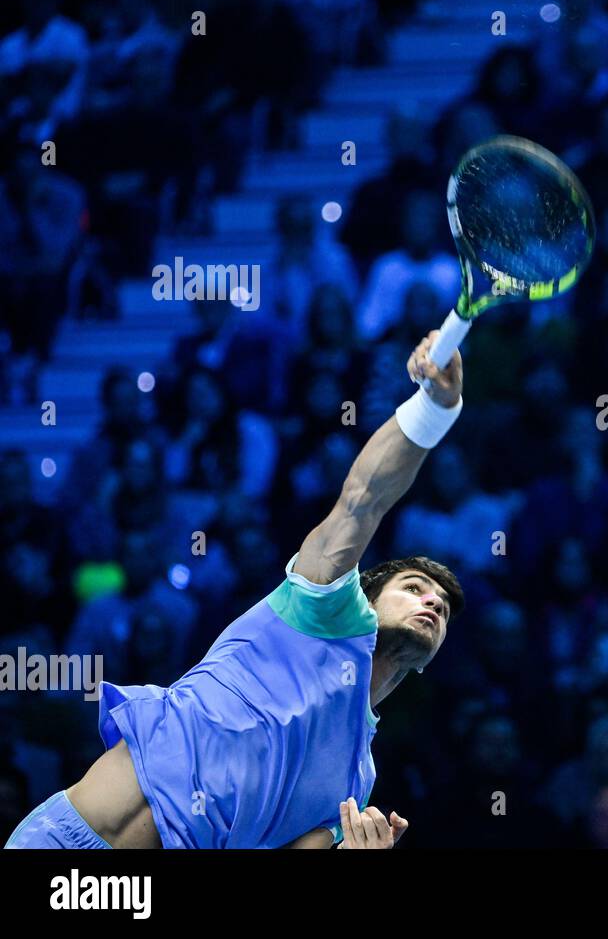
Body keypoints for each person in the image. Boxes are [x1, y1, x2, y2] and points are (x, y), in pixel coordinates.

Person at [5, 329, 468, 850]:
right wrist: (434, 408)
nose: (432, 602)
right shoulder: (322, 611)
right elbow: (364, 497)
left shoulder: (354, 786)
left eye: (443, 607)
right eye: (414, 587)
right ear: (362, 594)